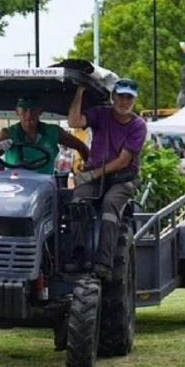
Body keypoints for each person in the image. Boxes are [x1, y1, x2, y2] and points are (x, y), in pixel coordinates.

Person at [68, 78, 148, 279]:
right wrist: (79, 92)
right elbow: (74, 122)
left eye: (129, 98)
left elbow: (123, 161)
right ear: (113, 97)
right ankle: (77, 254)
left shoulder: (138, 126)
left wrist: (90, 175)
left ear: (134, 101)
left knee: (110, 205)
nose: (124, 101)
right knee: (77, 201)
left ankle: (104, 262)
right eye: (121, 96)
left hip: (122, 178)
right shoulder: (101, 115)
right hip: (96, 176)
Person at [0, 97, 89, 174]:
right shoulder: (8, 132)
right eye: (24, 110)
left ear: (40, 111)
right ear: (17, 111)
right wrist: (0, 146)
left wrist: (89, 170)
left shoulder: (53, 131)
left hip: (45, 185)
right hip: (15, 185)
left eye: (33, 110)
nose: (29, 115)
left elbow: (81, 146)